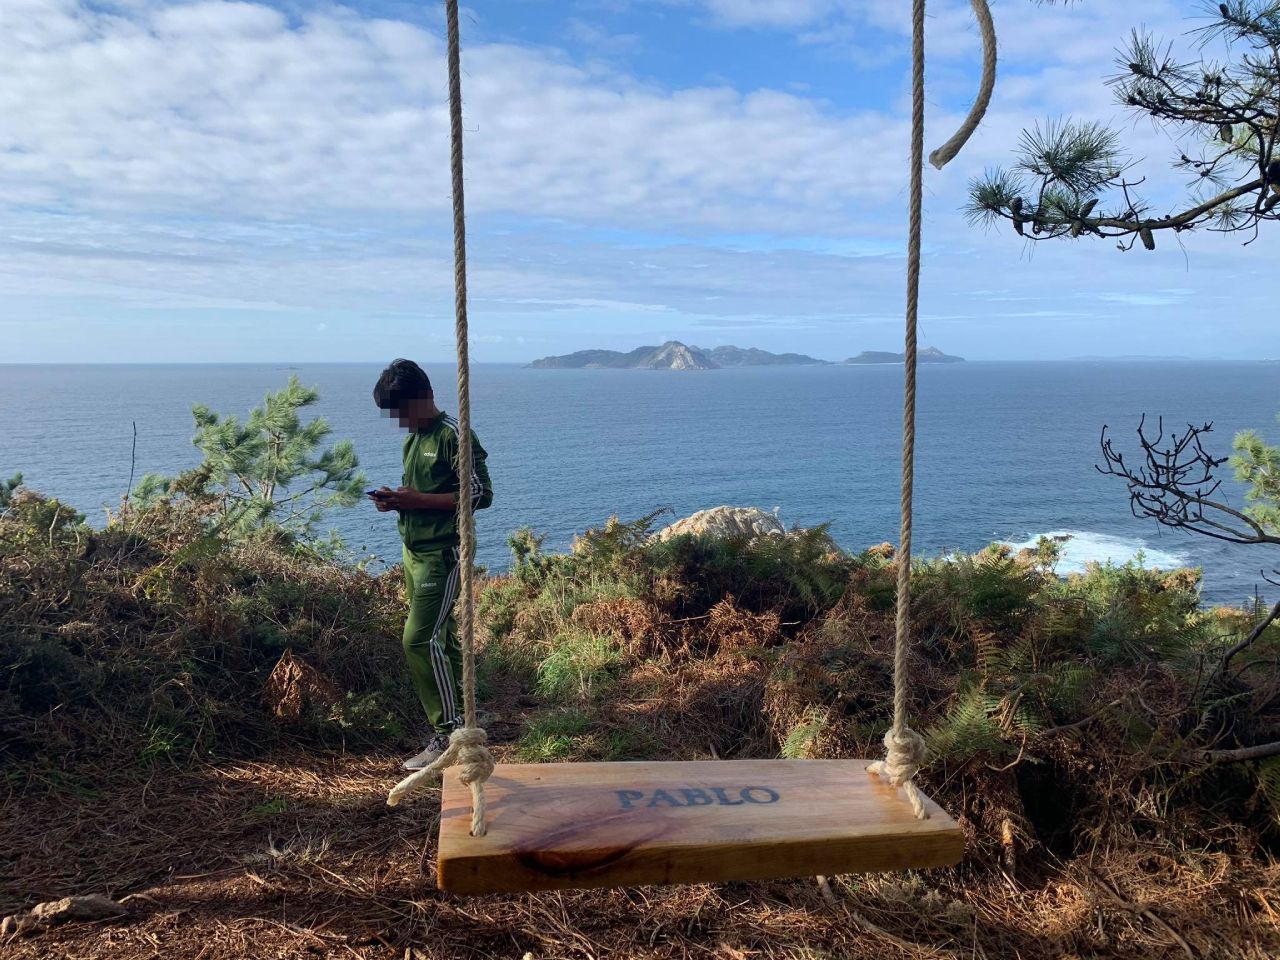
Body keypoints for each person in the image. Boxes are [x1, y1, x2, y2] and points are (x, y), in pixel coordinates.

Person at [371, 359, 493, 770]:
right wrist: (397, 501)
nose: (400, 421)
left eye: (402, 411)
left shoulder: (452, 436)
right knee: (442, 638)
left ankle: (446, 735)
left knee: (419, 640)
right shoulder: (415, 439)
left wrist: (415, 501)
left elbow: (479, 495)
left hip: (444, 553)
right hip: (415, 551)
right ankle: (464, 717)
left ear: (424, 397)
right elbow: (423, 492)